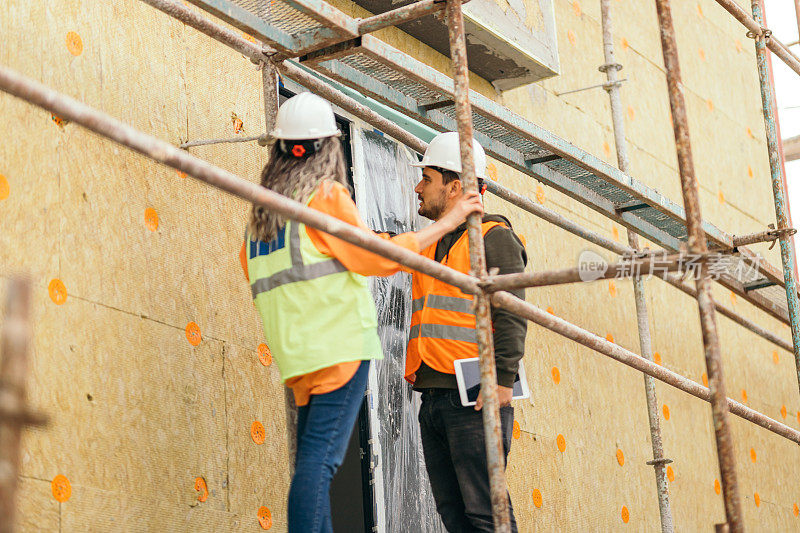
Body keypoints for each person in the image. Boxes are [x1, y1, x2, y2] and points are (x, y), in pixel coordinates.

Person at [239, 93, 483, 533]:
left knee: (312, 463)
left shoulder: (262, 218)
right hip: (339, 348)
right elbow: (375, 257)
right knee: (319, 465)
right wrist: (446, 224)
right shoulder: (325, 196)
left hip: (298, 356)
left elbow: (255, 272)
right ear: (330, 147)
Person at [406, 131, 527, 532]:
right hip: (436, 397)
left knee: (485, 515)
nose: (418, 187)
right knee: (455, 516)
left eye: (427, 178)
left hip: (475, 397)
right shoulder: (431, 242)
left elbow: (511, 312)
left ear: (455, 185)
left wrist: (502, 381)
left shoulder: (494, 237)